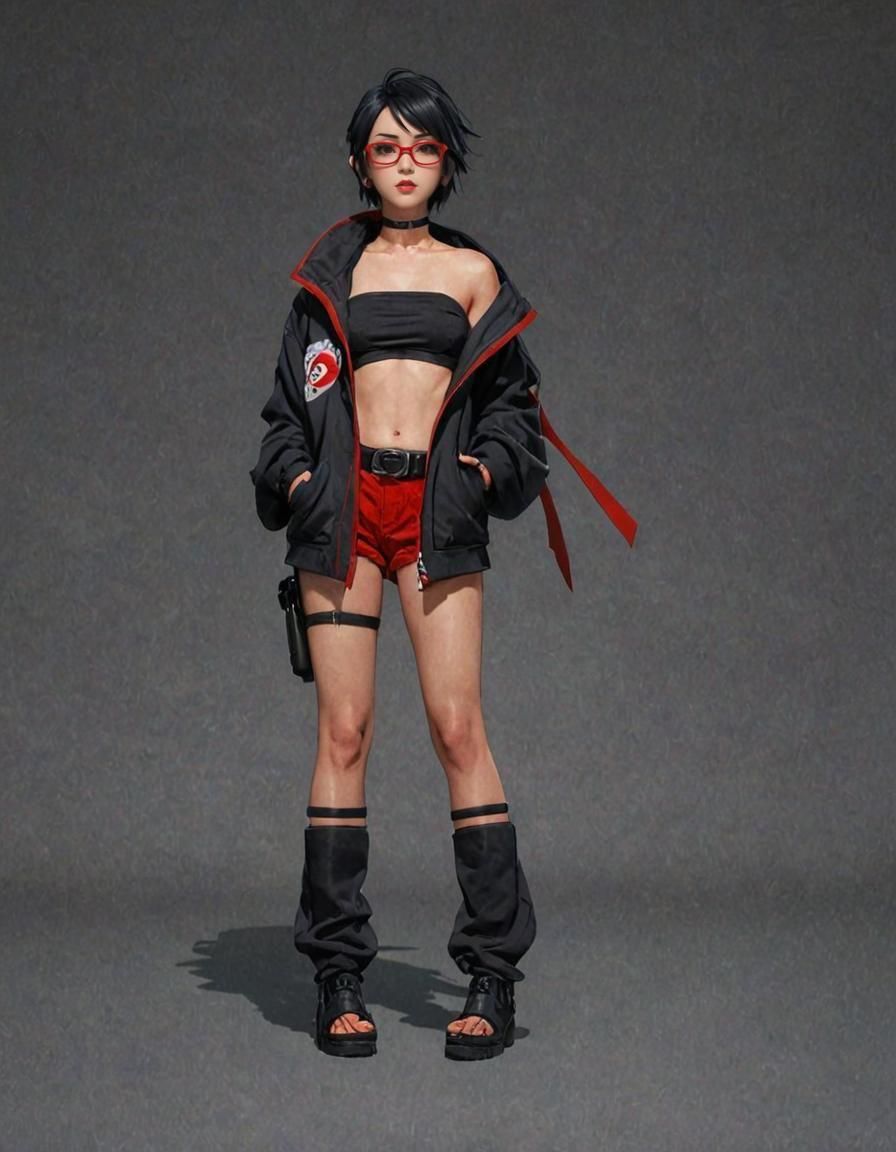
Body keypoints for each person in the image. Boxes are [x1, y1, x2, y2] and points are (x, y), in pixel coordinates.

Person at [250, 67, 636, 1061]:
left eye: (422, 146)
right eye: (387, 146)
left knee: (457, 726)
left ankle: (490, 970)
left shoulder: (473, 275)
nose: (405, 162)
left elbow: (512, 412)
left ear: (447, 160)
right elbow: (287, 411)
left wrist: (482, 473)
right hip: (343, 518)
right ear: (359, 161)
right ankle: (338, 970)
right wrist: (299, 482)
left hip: (433, 514)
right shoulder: (328, 277)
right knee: (343, 730)